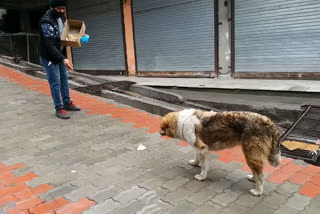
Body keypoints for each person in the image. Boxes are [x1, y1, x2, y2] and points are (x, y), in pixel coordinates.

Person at [39, 0, 80, 119]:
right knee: (55, 82)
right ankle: (59, 108)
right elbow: (49, 45)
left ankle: (67, 103)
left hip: (60, 55)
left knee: (64, 80)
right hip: (49, 57)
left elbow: (66, 35)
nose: (61, 11)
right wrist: (63, 59)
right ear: (52, 8)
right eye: (59, 9)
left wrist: (79, 37)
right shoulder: (46, 21)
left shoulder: (62, 19)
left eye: (63, 9)